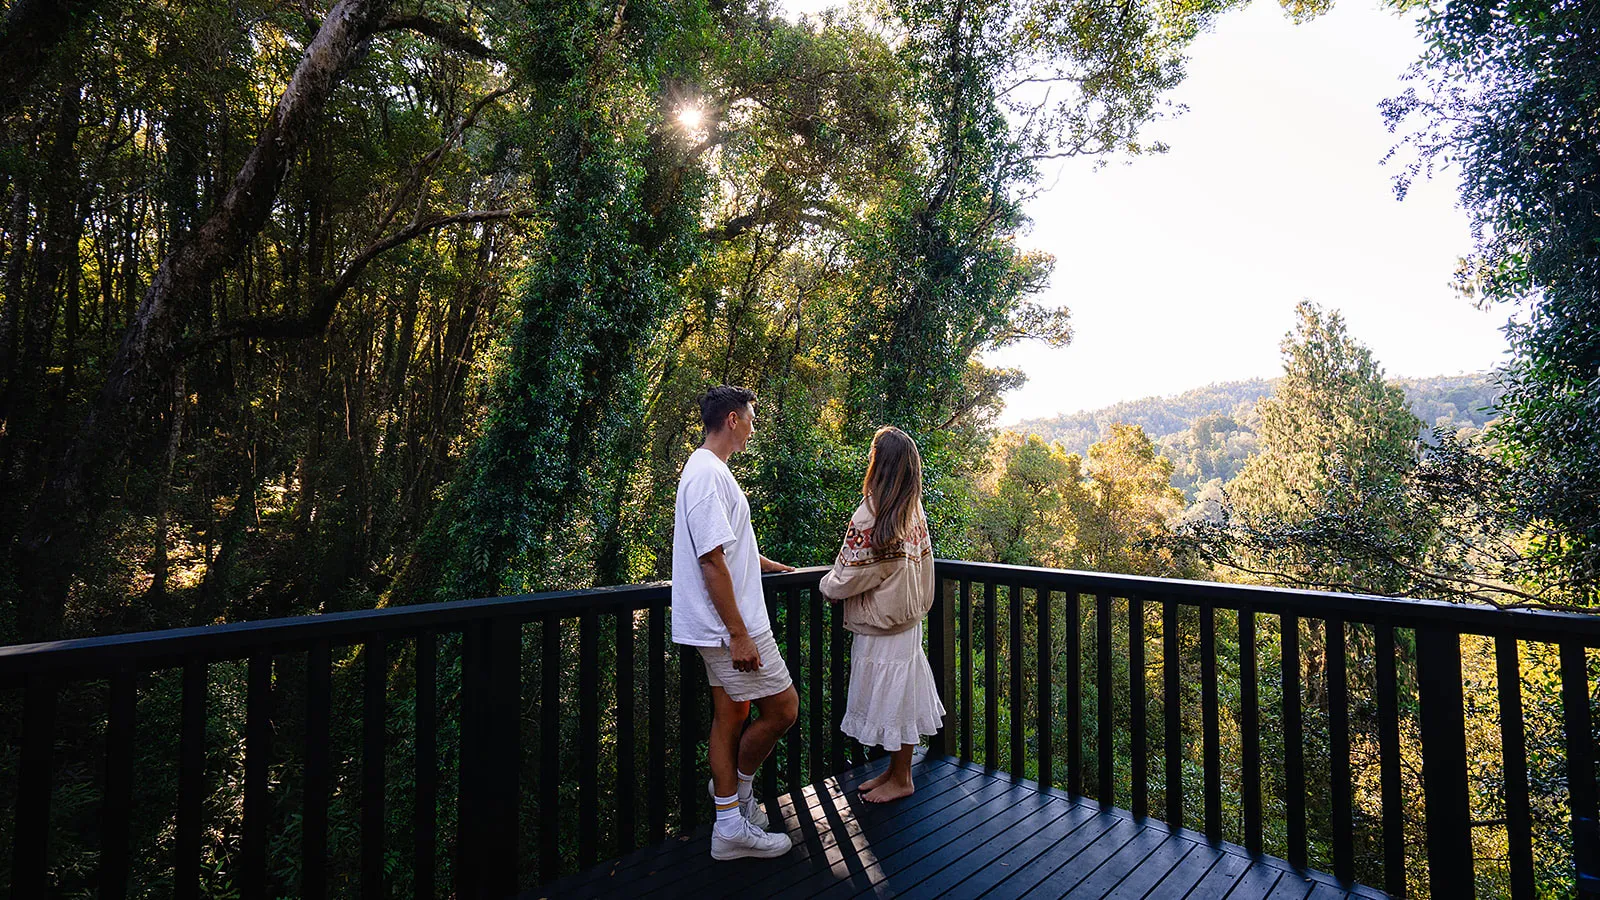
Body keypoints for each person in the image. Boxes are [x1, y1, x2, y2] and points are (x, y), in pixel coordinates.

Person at [671, 385, 800, 860]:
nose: (752, 427)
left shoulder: (711, 472)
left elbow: (728, 546)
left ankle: (732, 810)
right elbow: (710, 561)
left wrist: (773, 567)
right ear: (731, 419)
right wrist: (740, 634)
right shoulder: (705, 474)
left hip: (726, 624)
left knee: (732, 715)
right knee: (784, 708)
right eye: (750, 418)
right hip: (731, 626)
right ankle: (731, 818)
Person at [818, 426, 945, 803]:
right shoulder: (910, 509)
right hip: (906, 619)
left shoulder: (871, 513)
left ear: (880, 464)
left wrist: (826, 586)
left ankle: (902, 777)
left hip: (879, 621)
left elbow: (847, 576)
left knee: (892, 693)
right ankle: (895, 771)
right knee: (899, 691)